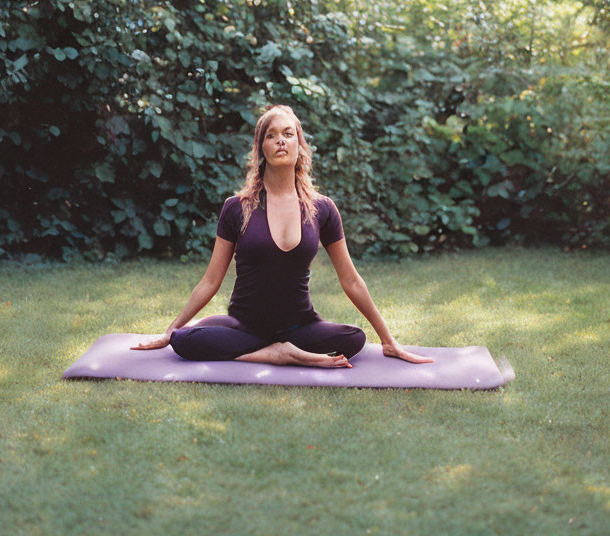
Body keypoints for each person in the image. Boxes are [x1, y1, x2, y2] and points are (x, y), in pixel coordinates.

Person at [131, 104, 433, 368]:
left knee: (354, 338)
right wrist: (168, 331)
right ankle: (276, 354)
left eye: (288, 134)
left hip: (300, 326)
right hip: (245, 326)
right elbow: (211, 280)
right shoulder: (236, 208)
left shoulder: (322, 208)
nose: (280, 141)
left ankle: (281, 350)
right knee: (182, 339)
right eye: (271, 135)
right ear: (260, 147)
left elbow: (351, 280)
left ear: (300, 145)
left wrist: (388, 339)